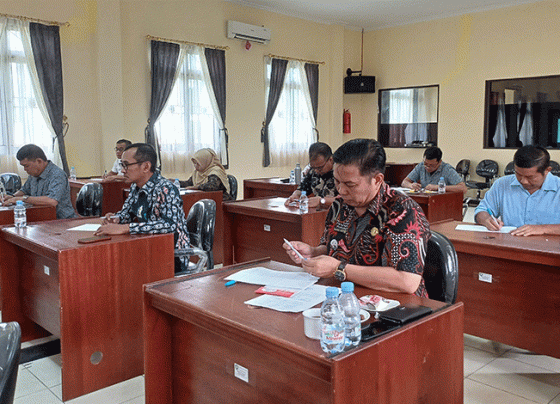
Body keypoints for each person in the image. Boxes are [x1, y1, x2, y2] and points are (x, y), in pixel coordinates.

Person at [283, 139, 430, 297]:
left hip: (394, 305)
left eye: (350, 185)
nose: (341, 190)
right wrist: (313, 252)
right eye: (337, 182)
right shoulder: (340, 205)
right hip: (347, 296)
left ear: (377, 180)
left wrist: (339, 269)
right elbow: (333, 247)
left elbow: (407, 281)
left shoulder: (402, 211)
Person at [95, 143, 191, 272]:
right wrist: (116, 219)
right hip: (147, 246)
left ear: (146, 166)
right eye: (122, 165)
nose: (123, 170)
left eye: (126, 165)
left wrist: (125, 228)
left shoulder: (165, 188)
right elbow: (128, 213)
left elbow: (169, 225)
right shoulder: (136, 186)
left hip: (170, 254)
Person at [475, 145, 560, 236]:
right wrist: (486, 219)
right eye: (518, 174)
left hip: (549, 248)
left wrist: (543, 228)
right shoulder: (502, 184)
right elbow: (482, 210)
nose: (523, 181)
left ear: (547, 170)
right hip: (509, 245)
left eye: (530, 177)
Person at [1, 144, 76, 219]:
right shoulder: (34, 174)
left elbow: (52, 201)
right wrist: (12, 197)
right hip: (40, 217)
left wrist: (22, 198)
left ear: (39, 161)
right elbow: (24, 190)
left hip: (62, 221)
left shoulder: (57, 175)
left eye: (26, 166)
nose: (25, 169)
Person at [285, 142, 339, 209]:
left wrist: (321, 201)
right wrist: (295, 195)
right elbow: (303, 188)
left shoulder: (340, 172)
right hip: (318, 213)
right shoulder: (313, 171)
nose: (316, 171)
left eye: (320, 167)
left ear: (331, 159)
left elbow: (346, 199)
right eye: (313, 167)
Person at [401, 146, 467, 193]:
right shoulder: (421, 166)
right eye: (426, 164)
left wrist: (438, 187)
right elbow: (404, 182)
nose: (427, 167)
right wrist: (411, 185)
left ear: (439, 162)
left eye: (431, 165)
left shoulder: (447, 169)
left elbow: (463, 188)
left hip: (442, 202)